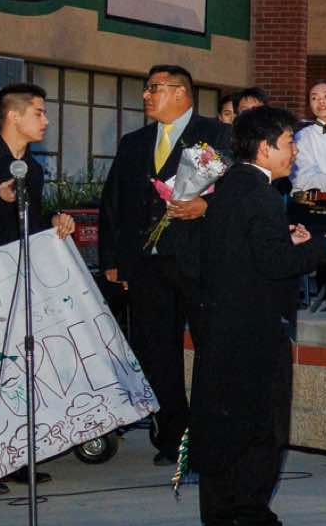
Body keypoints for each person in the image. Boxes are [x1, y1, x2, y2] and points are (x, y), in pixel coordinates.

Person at [191, 105, 326, 526]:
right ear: (265, 148)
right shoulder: (259, 193)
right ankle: (255, 522)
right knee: (261, 428)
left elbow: (245, 252)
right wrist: (322, 247)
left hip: (220, 327)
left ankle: (218, 521)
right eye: (289, 143)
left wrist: (286, 239)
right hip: (255, 332)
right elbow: (275, 264)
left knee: (223, 423)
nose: (294, 152)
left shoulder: (227, 189)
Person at [98, 65, 231, 465]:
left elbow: (240, 192)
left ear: (180, 93)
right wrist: (112, 260)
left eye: (153, 88)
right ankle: (174, 438)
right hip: (147, 265)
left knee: (212, 347)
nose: (146, 95)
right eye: (146, 88)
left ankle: (211, 437)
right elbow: (113, 202)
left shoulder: (217, 134)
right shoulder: (134, 142)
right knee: (156, 351)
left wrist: (206, 205)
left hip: (200, 262)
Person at [0, 83, 77, 257]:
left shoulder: (34, 169)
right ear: (14, 116)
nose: (46, 121)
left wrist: (54, 220)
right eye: (38, 114)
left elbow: (30, 224)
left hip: (18, 265)